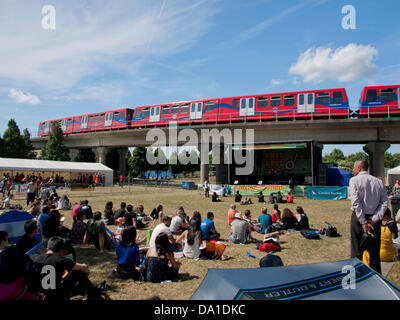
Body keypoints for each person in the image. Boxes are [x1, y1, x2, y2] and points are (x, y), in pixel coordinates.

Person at [31, 236, 106, 300]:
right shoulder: (60, 260)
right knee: (78, 272)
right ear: (61, 249)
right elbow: (84, 267)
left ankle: (90, 291)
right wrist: (86, 273)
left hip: (41, 295)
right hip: (57, 296)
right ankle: (92, 294)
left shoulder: (37, 259)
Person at [349, 159, 388, 274]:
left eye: (354, 167)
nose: (353, 170)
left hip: (358, 218)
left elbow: (355, 202)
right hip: (374, 220)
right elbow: (384, 203)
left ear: (359, 168)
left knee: (356, 251)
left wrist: (363, 222)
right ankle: (376, 278)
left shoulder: (354, 180)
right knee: (374, 252)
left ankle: (354, 277)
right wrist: (373, 219)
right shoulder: (379, 182)